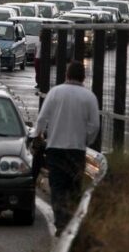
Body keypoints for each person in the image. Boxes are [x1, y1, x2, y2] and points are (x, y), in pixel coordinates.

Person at [33, 60, 100, 237]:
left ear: (67, 75)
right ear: (83, 77)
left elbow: (41, 119)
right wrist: (86, 140)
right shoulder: (89, 97)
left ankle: (60, 223)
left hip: (55, 149)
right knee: (74, 187)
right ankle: (70, 223)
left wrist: (37, 136)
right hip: (76, 151)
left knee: (57, 187)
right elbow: (95, 126)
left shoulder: (55, 93)